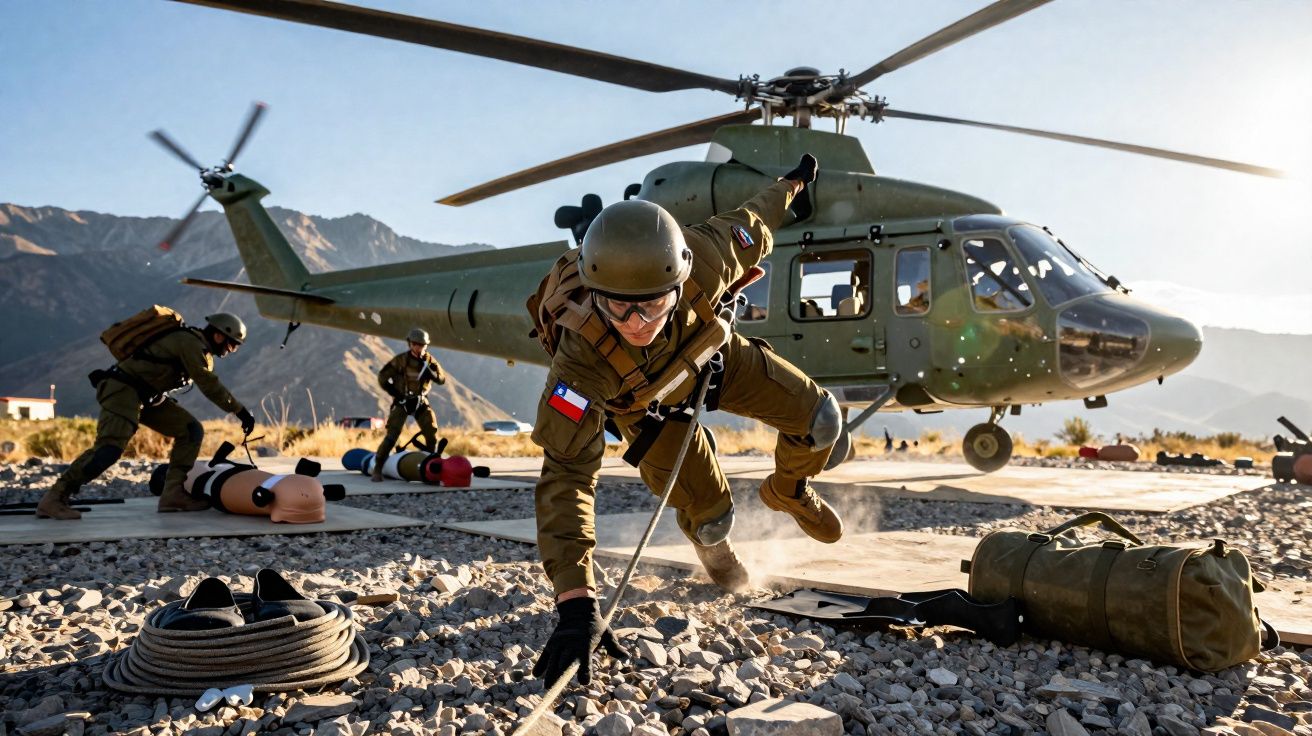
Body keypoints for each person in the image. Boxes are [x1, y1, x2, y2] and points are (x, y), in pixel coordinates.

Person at [529, 154, 849, 687]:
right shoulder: (580, 363)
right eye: (618, 310)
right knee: (710, 515)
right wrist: (576, 602)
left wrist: (792, 183)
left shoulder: (705, 254)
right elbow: (566, 479)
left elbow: (757, 217)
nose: (637, 324)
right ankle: (712, 546)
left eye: (652, 306)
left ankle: (789, 489)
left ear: (680, 278)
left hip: (714, 359)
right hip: (644, 407)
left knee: (822, 422)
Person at [37, 312, 254, 520]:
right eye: (232, 344)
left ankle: (172, 494)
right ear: (218, 335)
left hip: (147, 396)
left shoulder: (199, 348)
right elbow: (209, 385)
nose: (232, 350)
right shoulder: (190, 342)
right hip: (122, 390)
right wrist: (240, 411)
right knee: (109, 449)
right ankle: (55, 498)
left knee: (190, 430)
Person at [372, 327, 445, 481]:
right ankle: (378, 468)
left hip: (421, 401)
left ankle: (430, 466)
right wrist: (395, 393)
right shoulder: (401, 360)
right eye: (416, 344)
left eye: (423, 345)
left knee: (431, 434)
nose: (420, 348)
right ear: (410, 344)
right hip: (402, 402)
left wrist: (431, 374)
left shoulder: (430, 361)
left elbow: (441, 379)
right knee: (392, 436)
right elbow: (382, 377)